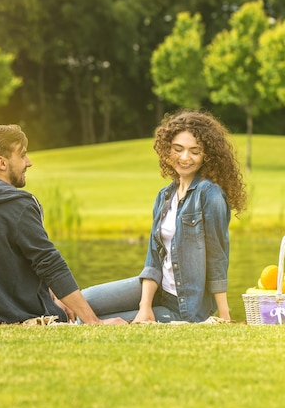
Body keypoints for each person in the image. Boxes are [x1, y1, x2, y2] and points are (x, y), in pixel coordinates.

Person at [0, 124, 126, 326]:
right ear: (2, 162)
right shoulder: (18, 205)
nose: (29, 162)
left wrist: (53, 295)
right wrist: (94, 322)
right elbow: (50, 263)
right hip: (5, 315)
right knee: (127, 312)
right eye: (22, 154)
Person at [81, 110, 247, 323]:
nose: (185, 158)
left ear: (207, 155)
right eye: (178, 149)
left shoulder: (210, 194)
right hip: (159, 289)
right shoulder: (164, 196)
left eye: (194, 151)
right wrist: (145, 307)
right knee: (84, 302)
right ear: (167, 150)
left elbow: (217, 257)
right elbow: (154, 258)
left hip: (185, 306)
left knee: (92, 320)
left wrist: (224, 315)